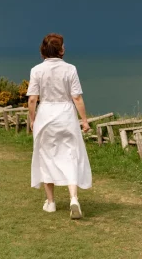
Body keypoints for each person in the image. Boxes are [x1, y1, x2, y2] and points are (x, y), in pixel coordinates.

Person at [26, 33, 92, 220]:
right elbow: (77, 97)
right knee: (71, 156)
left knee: (46, 157)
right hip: (66, 116)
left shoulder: (36, 70)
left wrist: (32, 119)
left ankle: (51, 202)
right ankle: (73, 198)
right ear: (61, 50)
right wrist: (84, 120)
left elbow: (32, 99)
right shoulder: (70, 69)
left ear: (43, 50)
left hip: (46, 116)